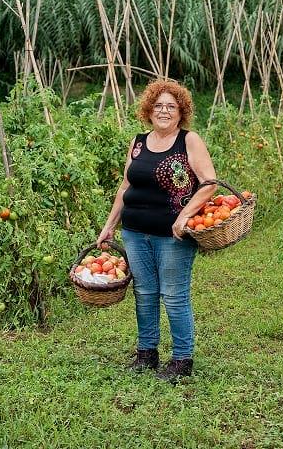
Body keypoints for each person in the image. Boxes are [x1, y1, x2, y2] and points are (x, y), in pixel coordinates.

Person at [96, 79, 216, 383]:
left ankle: (182, 359)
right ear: (149, 110)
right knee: (145, 292)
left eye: (171, 106)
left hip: (173, 234)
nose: (164, 111)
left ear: (181, 112)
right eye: (158, 105)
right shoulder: (138, 142)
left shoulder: (188, 141)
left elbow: (210, 184)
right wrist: (110, 226)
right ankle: (147, 353)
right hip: (135, 231)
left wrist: (184, 217)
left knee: (174, 295)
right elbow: (126, 185)